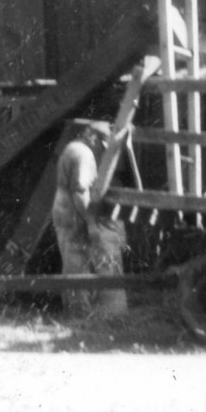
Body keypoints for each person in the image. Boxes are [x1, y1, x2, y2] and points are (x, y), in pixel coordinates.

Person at [50, 120, 127, 318]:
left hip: (70, 212)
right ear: (92, 137)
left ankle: (81, 313)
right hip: (72, 214)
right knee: (76, 263)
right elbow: (79, 191)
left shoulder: (77, 149)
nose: (102, 151)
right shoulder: (82, 153)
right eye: (102, 146)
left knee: (77, 261)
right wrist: (91, 223)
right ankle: (79, 316)